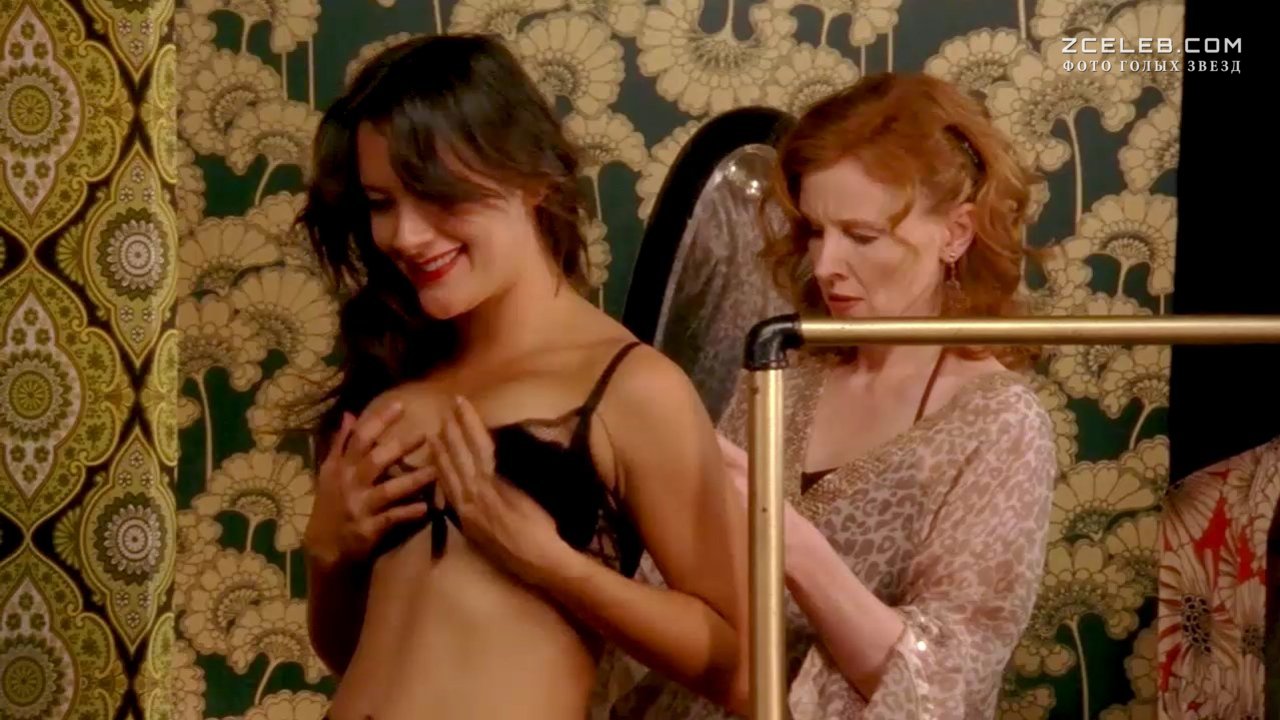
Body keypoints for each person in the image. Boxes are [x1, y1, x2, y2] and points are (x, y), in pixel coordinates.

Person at [297, 34, 749, 720]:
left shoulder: (629, 387)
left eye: (436, 194)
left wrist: (552, 564)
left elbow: (742, 673)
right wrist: (328, 553)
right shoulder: (398, 375)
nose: (406, 236)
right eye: (382, 202)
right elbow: (352, 656)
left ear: (534, 179)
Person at [609, 72, 1058, 719]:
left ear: (956, 233)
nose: (824, 266)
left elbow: (945, 687)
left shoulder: (1001, 423)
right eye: (816, 232)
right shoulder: (783, 380)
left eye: (862, 236)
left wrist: (796, 549)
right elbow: (672, 593)